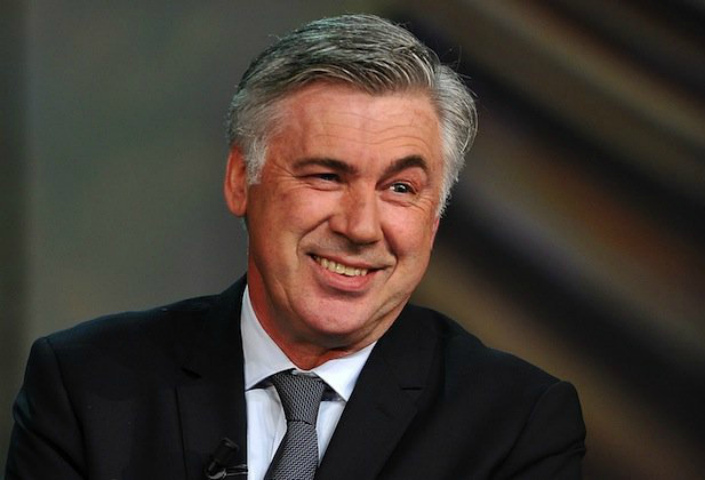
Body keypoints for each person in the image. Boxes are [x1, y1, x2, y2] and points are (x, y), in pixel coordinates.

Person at [5, 14, 585, 480]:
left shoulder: (516, 425)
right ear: (241, 181)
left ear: (434, 219)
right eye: (326, 176)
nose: (361, 227)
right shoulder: (87, 386)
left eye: (401, 188)